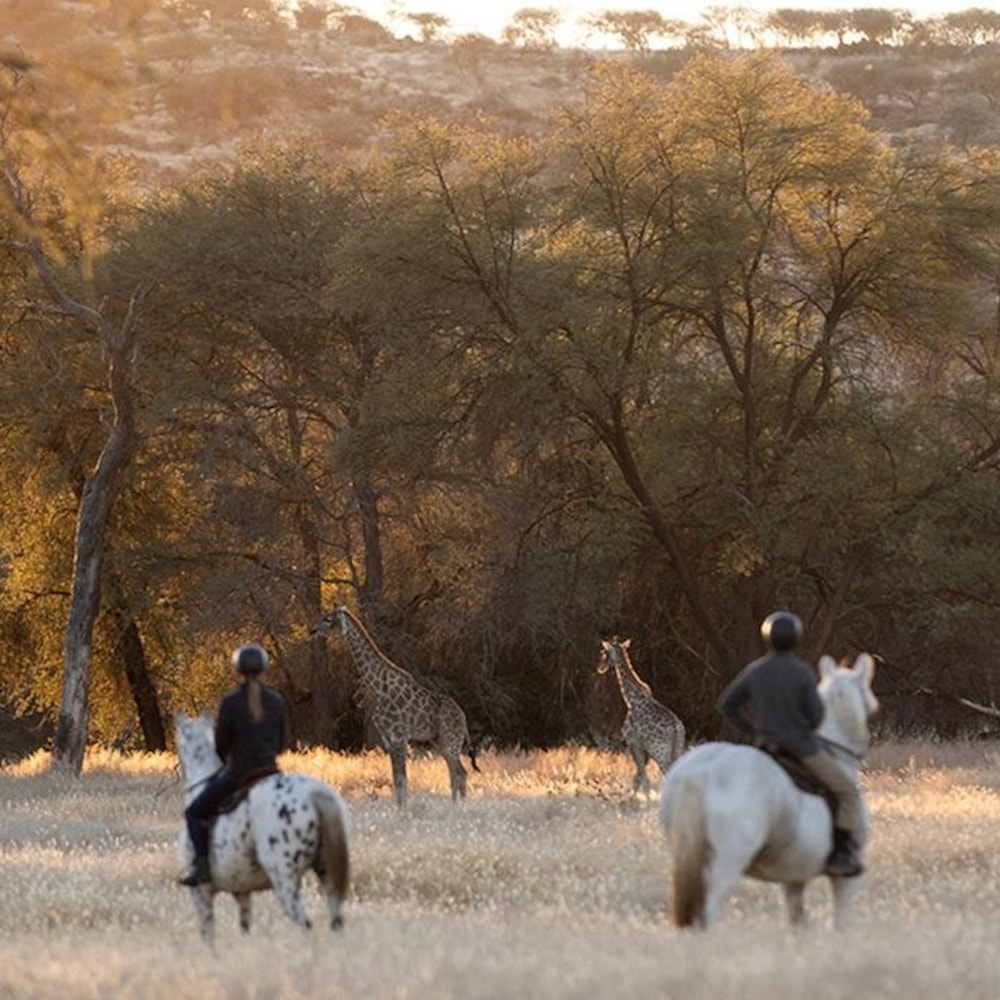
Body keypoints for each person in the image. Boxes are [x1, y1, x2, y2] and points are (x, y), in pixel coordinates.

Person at [716, 611, 864, 878]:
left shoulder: (756, 670)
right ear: (796, 638)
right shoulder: (802, 672)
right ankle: (841, 855)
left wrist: (751, 731)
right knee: (847, 792)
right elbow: (816, 716)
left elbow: (727, 705)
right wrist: (803, 726)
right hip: (800, 749)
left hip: (764, 748)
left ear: (768, 638)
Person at [179, 642, 291, 887]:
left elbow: (221, 744)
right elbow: (283, 743)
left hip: (240, 774)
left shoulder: (231, 701)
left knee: (194, 813)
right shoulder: (277, 700)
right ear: (263, 668)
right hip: (272, 773)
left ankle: (202, 867)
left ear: (238, 669)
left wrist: (229, 761)